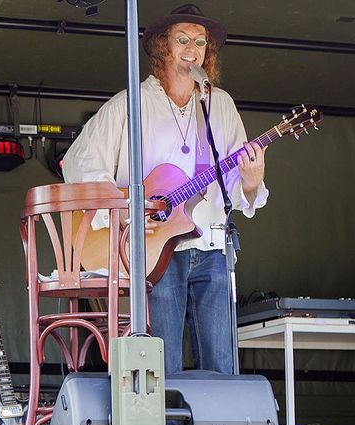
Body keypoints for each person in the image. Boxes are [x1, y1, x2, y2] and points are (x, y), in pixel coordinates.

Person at [62, 4, 269, 374]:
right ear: (163, 47)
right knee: (164, 362)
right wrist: (126, 210)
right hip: (156, 251)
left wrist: (251, 184)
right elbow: (79, 161)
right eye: (183, 39)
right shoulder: (131, 104)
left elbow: (237, 180)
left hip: (212, 247)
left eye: (201, 42)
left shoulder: (220, 105)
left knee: (222, 363)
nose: (193, 49)